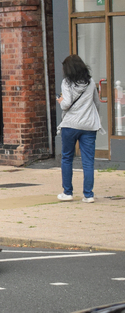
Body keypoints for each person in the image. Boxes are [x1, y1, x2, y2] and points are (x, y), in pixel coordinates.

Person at [56, 55, 102, 203]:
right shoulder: (90, 83)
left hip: (70, 125)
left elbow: (66, 104)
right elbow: (97, 103)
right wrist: (93, 117)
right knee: (88, 161)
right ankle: (88, 195)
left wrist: (60, 100)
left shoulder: (66, 83)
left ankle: (68, 192)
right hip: (89, 125)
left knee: (67, 157)